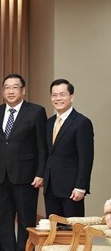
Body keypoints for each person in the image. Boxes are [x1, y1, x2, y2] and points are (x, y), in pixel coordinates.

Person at [0, 73, 47, 251]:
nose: (11, 91)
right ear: (3, 91)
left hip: (27, 176)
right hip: (1, 176)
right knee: (4, 222)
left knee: (25, 222)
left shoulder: (36, 112)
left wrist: (41, 172)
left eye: (15, 87)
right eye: (7, 87)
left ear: (23, 90)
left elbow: (42, 146)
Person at [43, 79, 94, 218]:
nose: (58, 98)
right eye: (54, 95)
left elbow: (86, 158)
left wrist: (81, 187)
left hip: (72, 189)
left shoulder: (82, 122)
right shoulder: (49, 122)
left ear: (71, 97)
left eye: (62, 94)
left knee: (73, 233)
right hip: (51, 187)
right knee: (54, 232)